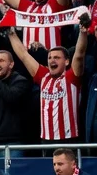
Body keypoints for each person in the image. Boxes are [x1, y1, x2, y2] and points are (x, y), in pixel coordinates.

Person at [6, 15, 90, 145]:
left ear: (67, 61)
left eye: (57, 57)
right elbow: (23, 55)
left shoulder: (72, 77)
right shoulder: (43, 76)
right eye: (50, 57)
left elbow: (79, 55)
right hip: (45, 140)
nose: (52, 60)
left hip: (69, 140)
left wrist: (83, 32)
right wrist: (11, 32)